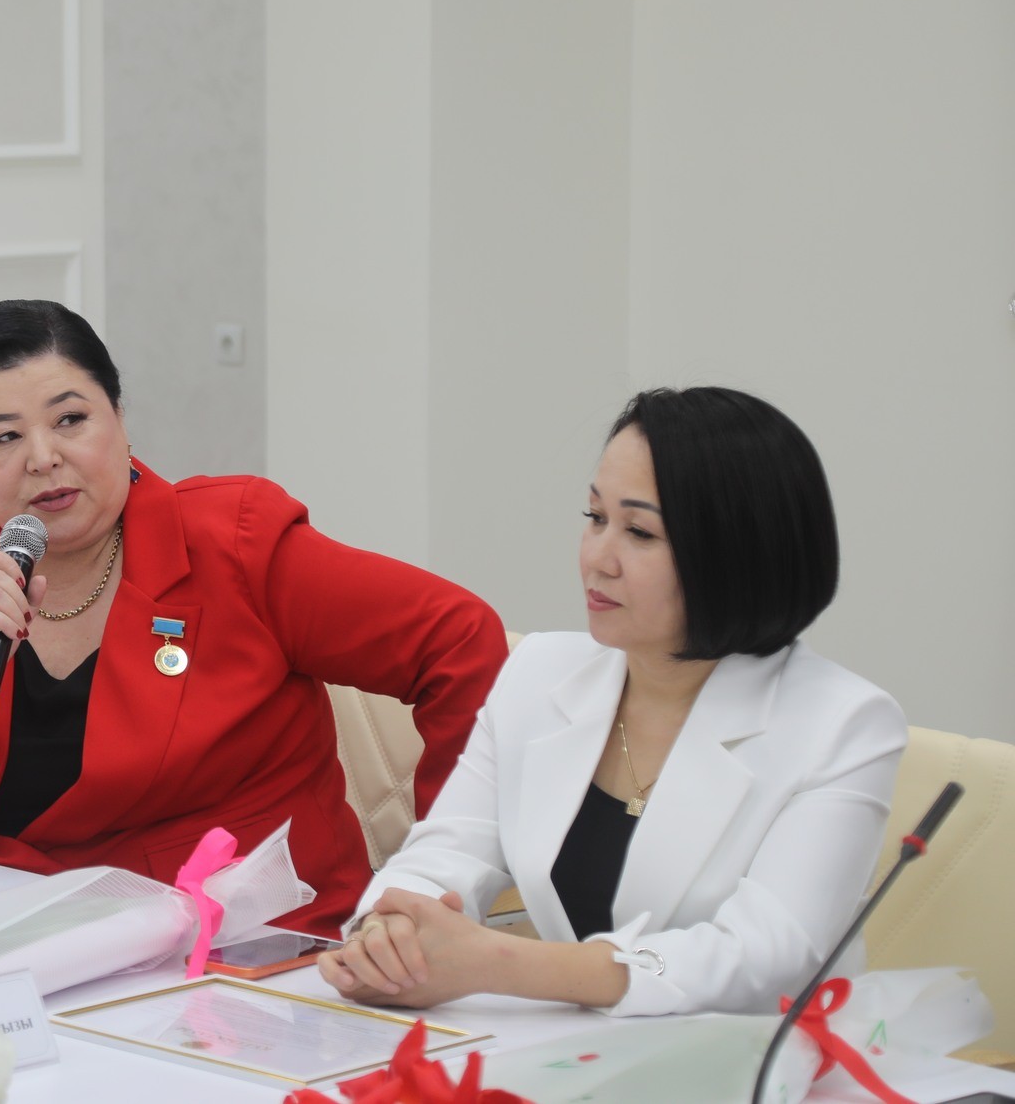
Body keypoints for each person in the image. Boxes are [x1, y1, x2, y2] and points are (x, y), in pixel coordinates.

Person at [0, 300, 507, 933]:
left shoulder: (237, 547)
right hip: (30, 948)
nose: (43, 458)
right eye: (3, 438)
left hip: (249, 952)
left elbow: (459, 639)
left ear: (119, 420)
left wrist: (436, 884)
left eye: (70, 420)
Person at [320, 387, 907, 1017]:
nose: (598, 559)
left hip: (762, 1055)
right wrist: (389, 935)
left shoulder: (845, 724)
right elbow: (447, 852)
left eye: (639, 532)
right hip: (581, 1049)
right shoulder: (540, 672)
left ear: (738, 552)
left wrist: (498, 964)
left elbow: (763, 955)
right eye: (596, 517)